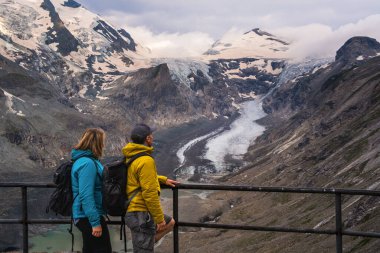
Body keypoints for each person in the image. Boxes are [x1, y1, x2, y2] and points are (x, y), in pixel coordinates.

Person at [123, 123, 178, 253]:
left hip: (133, 212)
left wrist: (162, 179)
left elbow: (138, 177)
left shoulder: (131, 156)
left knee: (170, 222)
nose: (153, 137)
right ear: (148, 138)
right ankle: (145, 244)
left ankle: (146, 243)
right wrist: (159, 219)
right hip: (141, 214)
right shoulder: (146, 160)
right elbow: (149, 193)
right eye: (151, 135)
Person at [71, 128, 112, 253]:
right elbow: (86, 194)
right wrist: (95, 222)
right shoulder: (87, 163)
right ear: (97, 143)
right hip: (88, 216)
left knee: (90, 249)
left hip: (87, 215)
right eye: (102, 141)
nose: (104, 145)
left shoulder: (88, 161)